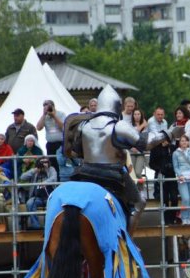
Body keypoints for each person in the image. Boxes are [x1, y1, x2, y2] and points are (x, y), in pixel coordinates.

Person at [63, 86, 177, 233]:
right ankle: (127, 240)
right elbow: (145, 143)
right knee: (139, 202)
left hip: (84, 172)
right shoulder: (118, 125)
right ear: (117, 106)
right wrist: (169, 134)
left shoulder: (84, 125)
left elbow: (74, 152)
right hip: (111, 174)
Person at [20, 157, 57, 230]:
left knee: (50, 205)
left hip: (49, 196)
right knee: (30, 203)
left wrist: (45, 182)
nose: (43, 164)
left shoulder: (51, 169)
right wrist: (35, 170)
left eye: (45, 162)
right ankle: (36, 226)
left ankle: (48, 226)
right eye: (42, 162)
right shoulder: (35, 170)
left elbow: (54, 178)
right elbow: (22, 177)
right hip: (37, 197)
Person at [172, 135, 190, 224]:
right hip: (182, 177)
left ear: (188, 142)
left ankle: (188, 218)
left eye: (185, 141)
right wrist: (179, 175)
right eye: (182, 141)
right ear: (179, 143)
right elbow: (175, 166)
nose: (184, 142)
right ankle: (183, 217)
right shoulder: (176, 153)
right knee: (185, 198)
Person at [36, 99, 66, 172]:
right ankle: (54, 180)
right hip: (50, 144)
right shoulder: (45, 117)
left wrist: (54, 116)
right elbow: (38, 127)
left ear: (53, 106)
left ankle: (61, 179)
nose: (47, 108)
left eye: (48, 106)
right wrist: (44, 114)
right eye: (45, 106)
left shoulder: (61, 114)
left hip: (60, 144)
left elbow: (63, 127)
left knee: (61, 162)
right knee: (52, 164)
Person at [129, 108, 148, 179]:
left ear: (141, 115)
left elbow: (144, 139)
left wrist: (143, 125)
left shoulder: (145, 127)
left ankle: (140, 187)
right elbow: (131, 137)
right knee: (132, 172)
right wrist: (142, 125)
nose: (137, 116)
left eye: (138, 114)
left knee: (138, 172)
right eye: (135, 114)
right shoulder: (130, 125)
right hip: (132, 151)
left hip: (141, 151)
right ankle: (135, 188)